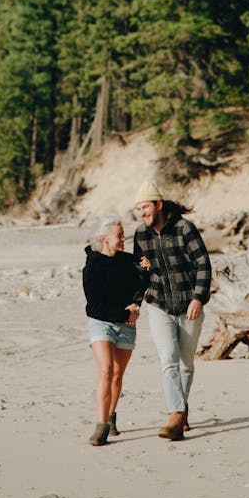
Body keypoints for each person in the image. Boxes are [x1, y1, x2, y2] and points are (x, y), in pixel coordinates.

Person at [132, 178, 212, 441]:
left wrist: (198, 298)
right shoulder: (141, 234)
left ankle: (182, 409)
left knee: (186, 362)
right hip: (158, 304)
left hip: (189, 303)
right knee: (168, 359)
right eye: (139, 209)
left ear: (159, 204)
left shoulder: (183, 229)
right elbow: (138, 272)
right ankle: (175, 415)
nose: (142, 213)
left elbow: (203, 264)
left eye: (145, 207)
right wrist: (139, 277)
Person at [82, 216, 146, 446]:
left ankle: (111, 415)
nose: (123, 238)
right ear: (104, 238)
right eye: (119, 235)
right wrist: (124, 314)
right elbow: (94, 306)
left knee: (118, 375)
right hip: (102, 323)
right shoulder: (92, 266)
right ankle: (101, 426)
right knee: (106, 371)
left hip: (127, 325)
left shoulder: (129, 261)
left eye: (123, 234)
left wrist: (136, 305)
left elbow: (141, 284)